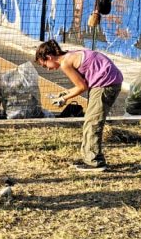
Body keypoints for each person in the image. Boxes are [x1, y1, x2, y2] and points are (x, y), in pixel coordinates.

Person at [35, 39, 123, 173]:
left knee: (92, 122)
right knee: (91, 120)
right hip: (107, 81)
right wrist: (64, 93)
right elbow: (82, 83)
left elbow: (82, 87)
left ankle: (94, 162)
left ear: (49, 57)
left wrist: (64, 99)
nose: (47, 68)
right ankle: (89, 158)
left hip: (106, 84)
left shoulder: (65, 63)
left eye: (45, 65)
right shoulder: (70, 55)